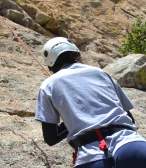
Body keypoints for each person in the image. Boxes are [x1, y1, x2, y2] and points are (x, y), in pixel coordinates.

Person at [35, 37, 146, 167]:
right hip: (130, 144)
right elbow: (129, 118)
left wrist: (75, 119)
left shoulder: (48, 85)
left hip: (91, 156)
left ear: (50, 62)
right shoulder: (101, 73)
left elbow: (51, 137)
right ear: (75, 53)